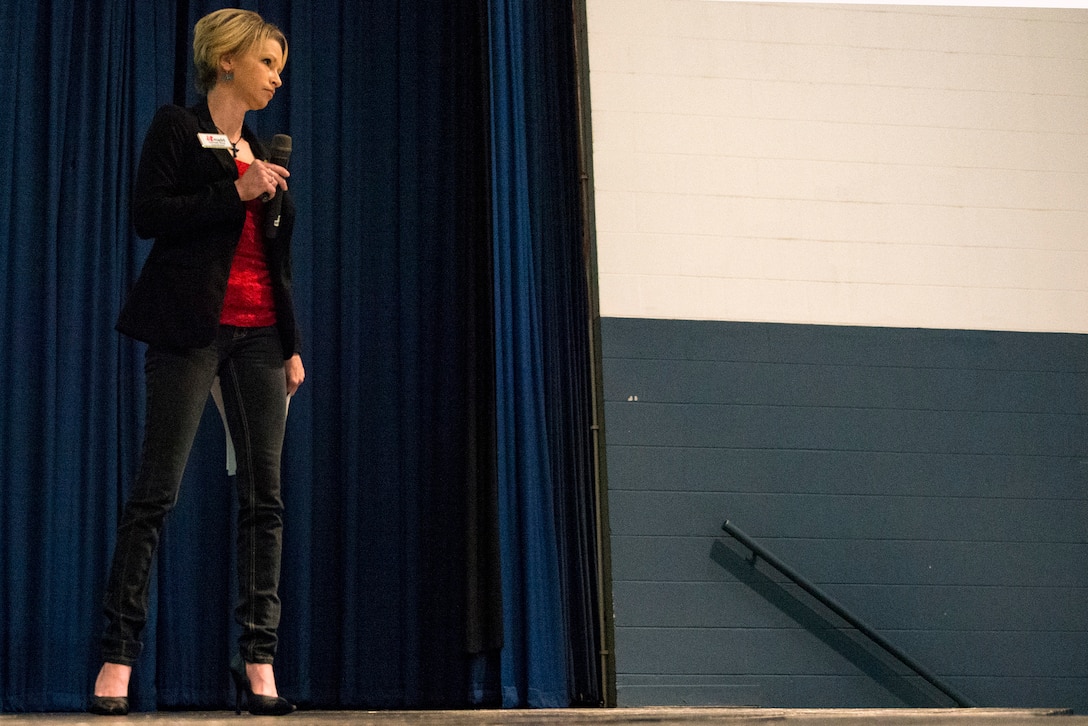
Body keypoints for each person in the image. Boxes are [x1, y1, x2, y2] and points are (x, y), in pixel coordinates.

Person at [90, 8, 303, 717]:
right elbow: (150, 213)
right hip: (191, 330)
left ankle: (260, 662)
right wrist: (230, 191)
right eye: (267, 62)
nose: (276, 77)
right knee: (157, 494)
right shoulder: (178, 128)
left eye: (279, 67)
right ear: (227, 61)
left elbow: (279, 263)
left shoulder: (264, 156)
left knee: (264, 501)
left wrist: (294, 346)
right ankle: (117, 659)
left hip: (263, 336)